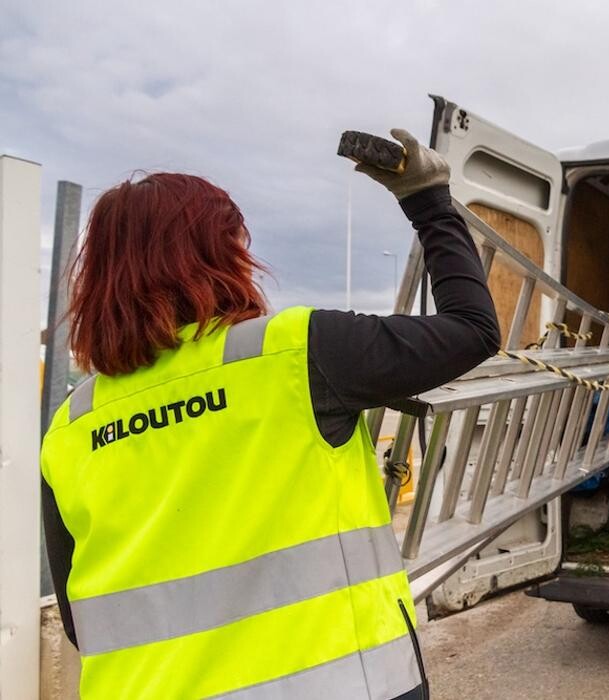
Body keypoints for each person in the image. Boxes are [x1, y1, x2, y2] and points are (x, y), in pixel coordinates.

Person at [40, 129, 501, 699]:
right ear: (220, 256)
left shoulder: (72, 423)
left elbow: (81, 615)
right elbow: (473, 329)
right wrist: (429, 202)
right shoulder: (295, 354)